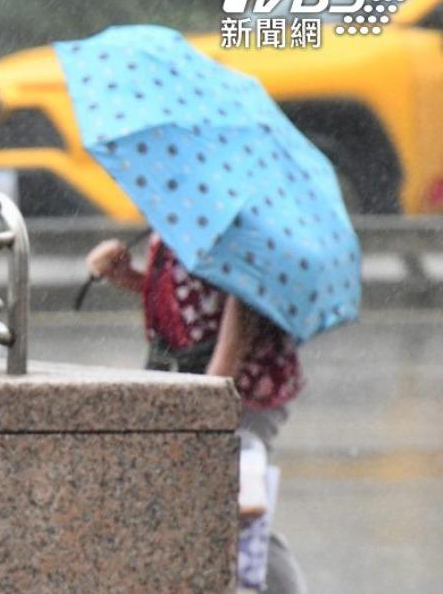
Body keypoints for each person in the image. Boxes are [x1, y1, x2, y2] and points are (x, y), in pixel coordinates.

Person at [86, 234, 308, 594]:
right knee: (218, 504)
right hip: (199, 376)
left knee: (235, 506)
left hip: (242, 381)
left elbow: (247, 296)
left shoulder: (228, 219)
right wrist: (127, 276)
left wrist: (216, 385)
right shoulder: (185, 218)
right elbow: (191, 297)